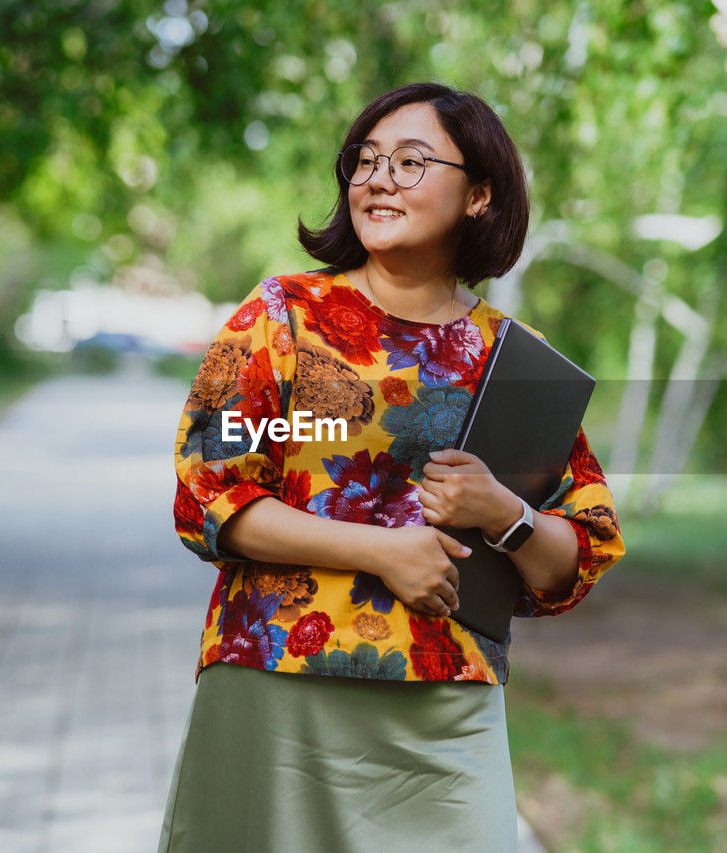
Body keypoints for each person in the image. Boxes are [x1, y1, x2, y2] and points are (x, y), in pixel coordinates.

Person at [158, 81, 625, 852]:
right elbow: (209, 489)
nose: (377, 179)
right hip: (278, 679)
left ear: (479, 193)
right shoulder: (281, 319)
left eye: (411, 162)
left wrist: (501, 512)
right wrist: (385, 550)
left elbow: (576, 555)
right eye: (365, 160)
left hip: (446, 700)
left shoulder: (515, 361)